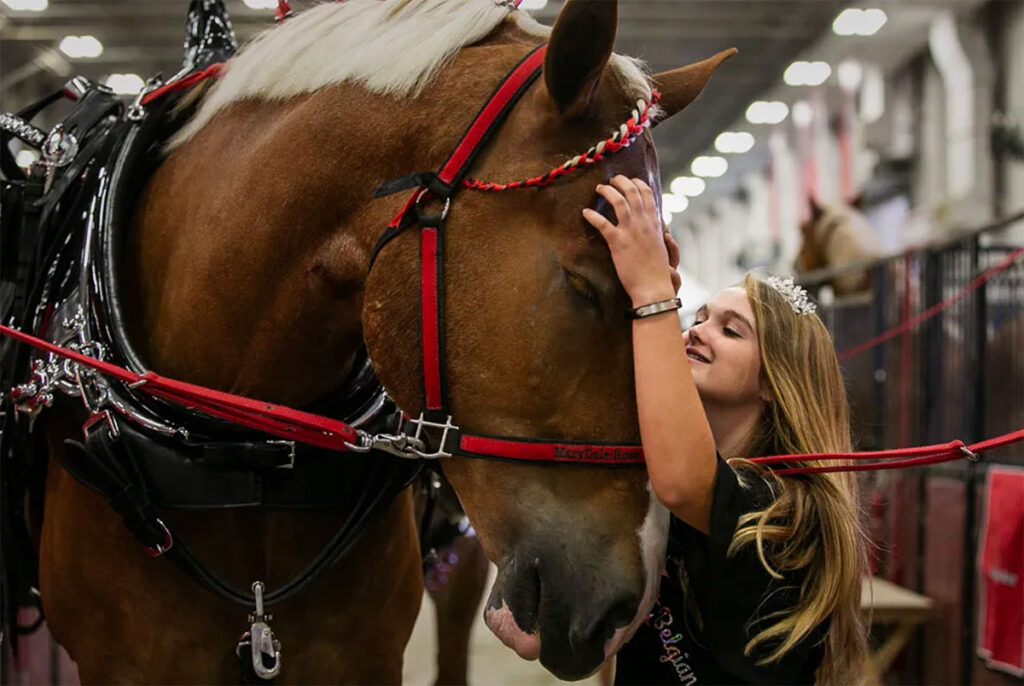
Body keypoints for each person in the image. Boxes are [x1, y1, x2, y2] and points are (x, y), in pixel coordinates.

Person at [582, 176, 869, 685]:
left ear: (774, 384)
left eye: (730, 329)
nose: (694, 330)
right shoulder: (685, 474)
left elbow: (687, 483)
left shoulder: (788, 508)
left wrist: (651, 295)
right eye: (701, 316)